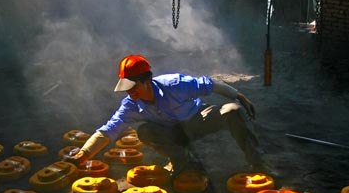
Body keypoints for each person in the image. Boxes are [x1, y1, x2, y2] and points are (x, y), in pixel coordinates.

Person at [72, 54, 273, 177]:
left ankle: (258, 162)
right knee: (145, 131)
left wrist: (239, 96)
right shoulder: (130, 104)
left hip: (197, 119)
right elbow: (109, 130)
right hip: (172, 134)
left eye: (133, 86)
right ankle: (182, 161)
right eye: (126, 86)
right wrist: (84, 153)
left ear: (147, 80)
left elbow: (210, 85)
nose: (129, 91)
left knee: (233, 110)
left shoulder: (176, 84)